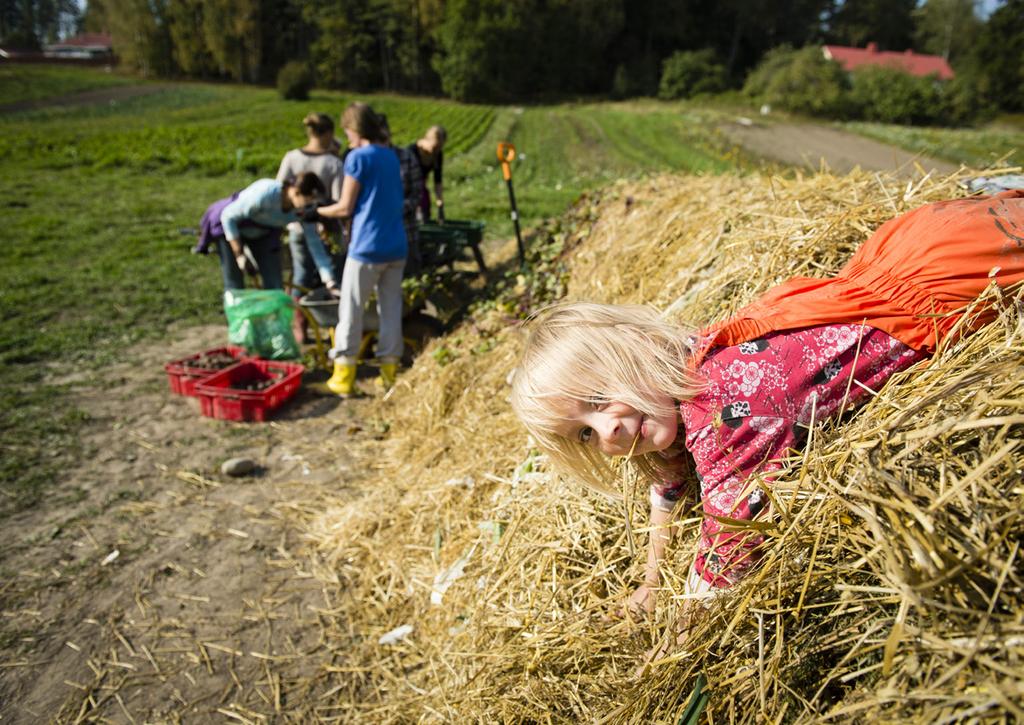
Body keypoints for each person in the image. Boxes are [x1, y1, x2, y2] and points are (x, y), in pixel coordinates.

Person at [510, 190, 1024, 644]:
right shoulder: (678, 377)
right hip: (910, 244)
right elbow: (668, 480)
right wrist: (650, 579)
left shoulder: (725, 402)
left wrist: (670, 646)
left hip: (952, 276)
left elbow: (730, 543)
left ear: (636, 351)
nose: (608, 430)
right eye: (584, 432)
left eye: (599, 399)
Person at [314, 102, 407, 397]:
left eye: (348, 130)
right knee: (390, 310)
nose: (348, 136)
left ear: (354, 128)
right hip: (396, 245)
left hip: (367, 247)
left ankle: (343, 376)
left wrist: (317, 212)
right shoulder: (390, 156)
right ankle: (389, 373)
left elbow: (345, 207)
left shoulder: (358, 157)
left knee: (351, 310)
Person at [196, 172, 328, 292]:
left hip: (263, 233)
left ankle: (273, 316)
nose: (310, 205)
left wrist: (329, 279)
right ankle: (238, 315)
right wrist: (239, 254)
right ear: (297, 192)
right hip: (230, 228)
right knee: (234, 281)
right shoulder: (266, 194)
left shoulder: (302, 212)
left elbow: (314, 243)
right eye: (309, 200)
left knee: (274, 283)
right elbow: (228, 216)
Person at [276, 112, 346, 340]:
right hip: (327, 229)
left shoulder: (291, 158)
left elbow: (280, 191)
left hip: (296, 228)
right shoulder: (333, 163)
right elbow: (338, 200)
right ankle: (332, 324)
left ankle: (299, 326)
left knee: (302, 275)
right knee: (332, 274)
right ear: (328, 133)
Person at [379, 113, 424, 276]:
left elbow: (417, 192)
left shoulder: (405, 157)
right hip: (376, 237)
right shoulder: (363, 160)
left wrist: (397, 208)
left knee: (410, 276)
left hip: (405, 230)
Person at [409, 125, 446, 222]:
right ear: (427, 140)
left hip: (422, 191)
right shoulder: (411, 151)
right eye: (435, 147)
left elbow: (437, 180)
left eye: (439, 148)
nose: (436, 151)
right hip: (408, 189)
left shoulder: (437, 155)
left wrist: (440, 202)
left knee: (424, 214)